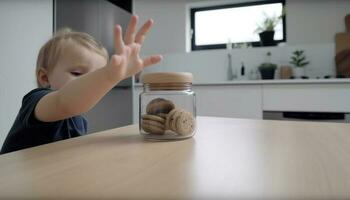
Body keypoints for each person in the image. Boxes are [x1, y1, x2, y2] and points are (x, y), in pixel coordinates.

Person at [0, 15, 162, 154]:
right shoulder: (36, 101)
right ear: (44, 77)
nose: (90, 81)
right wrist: (108, 76)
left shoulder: (79, 121)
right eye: (77, 74)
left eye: (96, 75)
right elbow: (64, 102)